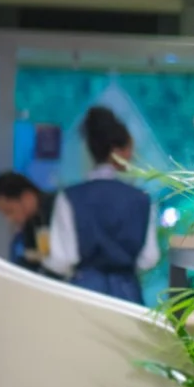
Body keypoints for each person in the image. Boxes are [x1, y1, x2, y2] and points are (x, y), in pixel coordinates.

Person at [46, 106, 160, 305]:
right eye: (129, 149)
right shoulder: (141, 199)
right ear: (117, 151)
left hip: (83, 294)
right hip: (127, 294)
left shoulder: (70, 197)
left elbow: (61, 260)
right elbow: (149, 258)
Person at [0, 172, 50, 270]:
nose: (9, 219)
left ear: (27, 198)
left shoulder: (59, 210)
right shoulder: (30, 224)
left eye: (10, 211)